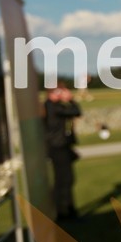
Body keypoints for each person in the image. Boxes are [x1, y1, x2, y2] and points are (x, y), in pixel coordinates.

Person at [44, 82, 81, 221]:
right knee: (64, 180)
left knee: (65, 180)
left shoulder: (52, 106)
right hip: (57, 147)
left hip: (60, 146)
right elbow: (77, 111)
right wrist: (71, 100)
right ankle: (62, 212)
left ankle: (69, 211)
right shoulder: (53, 107)